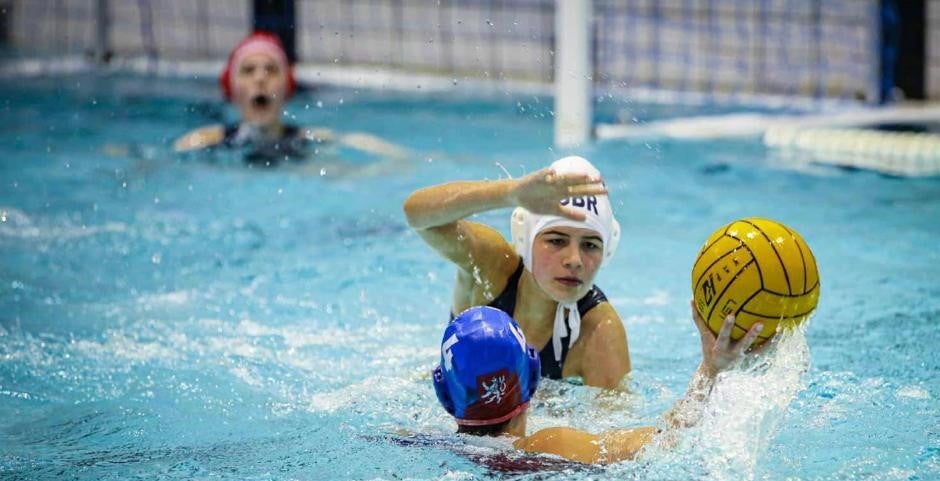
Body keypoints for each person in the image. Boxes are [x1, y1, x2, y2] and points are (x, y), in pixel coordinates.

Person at [431, 305, 761, 465]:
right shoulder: (552, 446)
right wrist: (711, 368)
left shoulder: (426, 443)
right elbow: (667, 437)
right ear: (533, 377)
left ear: (444, 394)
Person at [404, 156, 628, 390]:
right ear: (525, 240)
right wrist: (509, 193)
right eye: (556, 241)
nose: (574, 260)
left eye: (590, 245)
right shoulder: (491, 267)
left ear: (608, 250)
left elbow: (614, 414)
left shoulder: (598, 332)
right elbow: (417, 216)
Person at [173, 31, 408, 165]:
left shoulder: (308, 139)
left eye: (271, 70)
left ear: (287, 88)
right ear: (231, 89)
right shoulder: (202, 143)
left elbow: (352, 143)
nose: (260, 78)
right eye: (248, 70)